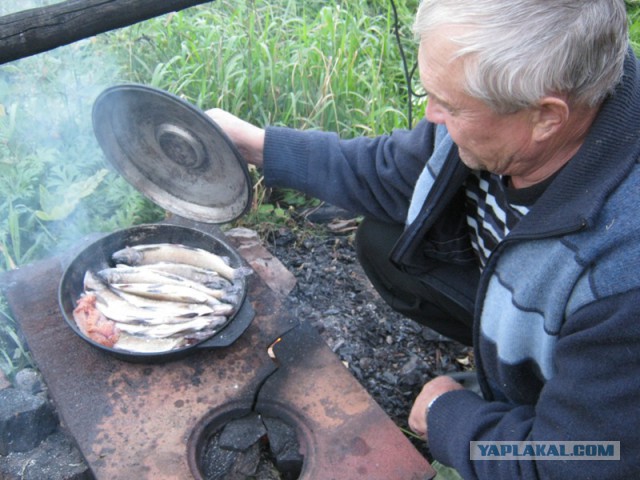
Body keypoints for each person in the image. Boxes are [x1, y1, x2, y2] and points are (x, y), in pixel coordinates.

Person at [207, 0, 640, 478]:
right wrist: (256, 144)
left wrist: (452, 419)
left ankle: (545, 396)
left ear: (545, 116)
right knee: (385, 240)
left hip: (597, 425)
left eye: (450, 105)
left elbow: (582, 462)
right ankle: (521, 373)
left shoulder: (622, 275)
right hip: (550, 319)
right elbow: (391, 171)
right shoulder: (523, 111)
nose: (431, 115)